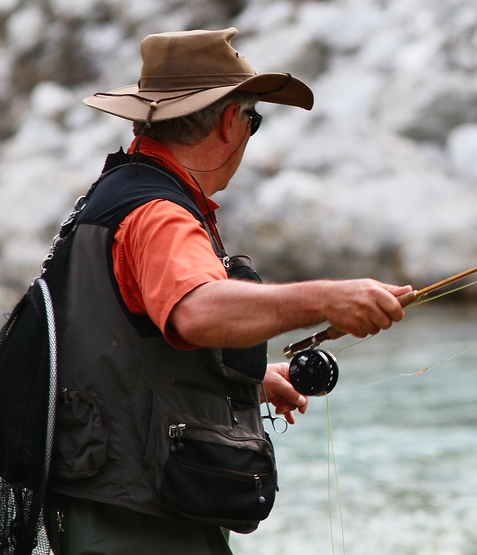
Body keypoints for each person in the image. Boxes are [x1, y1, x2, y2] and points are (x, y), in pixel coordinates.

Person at [46, 27, 410, 555]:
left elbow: (117, 349)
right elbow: (194, 311)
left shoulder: (116, 195)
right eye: (253, 119)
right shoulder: (160, 217)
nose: (249, 134)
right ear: (226, 121)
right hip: (138, 519)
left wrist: (252, 378)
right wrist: (326, 301)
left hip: (109, 504)